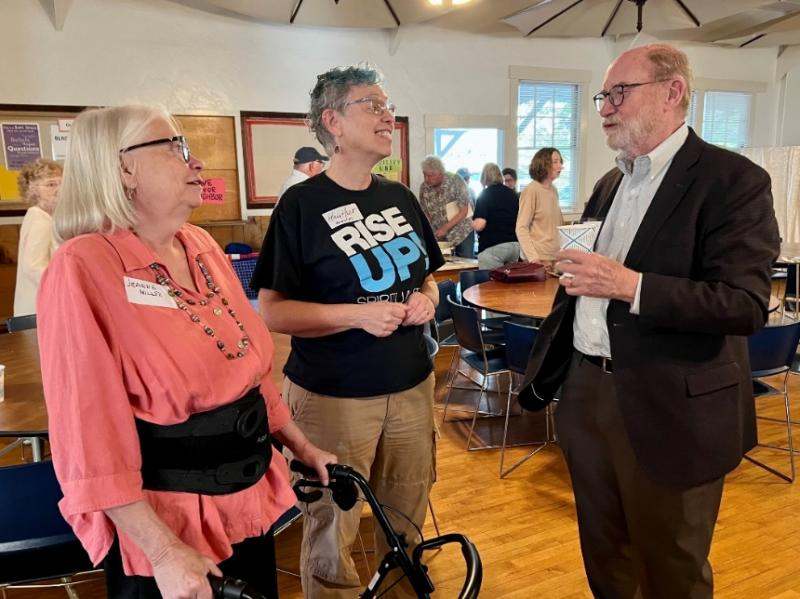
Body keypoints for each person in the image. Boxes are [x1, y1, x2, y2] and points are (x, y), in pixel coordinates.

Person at [36, 105, 335, 599]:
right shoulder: (82, 266)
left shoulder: (197, 243)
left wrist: (300, 446)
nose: (195, 163)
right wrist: (162, 552)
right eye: (175, 148)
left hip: (245, 501)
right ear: (123, 167)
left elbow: (250, 374)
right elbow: (88, 434)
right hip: (168, 530)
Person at [518, 44, 780, 598]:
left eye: (619, 93)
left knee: (671, 568)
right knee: (604, 554)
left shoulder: (732, 180)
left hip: (672, 403)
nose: (605, 108)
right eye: (602, 96)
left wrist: (629, 285)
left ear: (673, 92)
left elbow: (744, 304)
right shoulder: (610, 184)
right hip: (588, 390)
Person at [251, 64, 444, 599]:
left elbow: (426, 275)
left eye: (388, 105)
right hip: (333, 394)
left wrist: (426, 300)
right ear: (332, 121)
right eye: (373, 105)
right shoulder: (301, 205)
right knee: (333, 529)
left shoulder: (400, 196)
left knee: (405, 515)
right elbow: (273, 310)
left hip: (411, 384)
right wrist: (355, 315)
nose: (388, 116)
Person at [13, 158, 62, 316]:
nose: (58, 189)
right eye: (50, 184)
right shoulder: (38, 217)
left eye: (61, 183)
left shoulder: (49, 217)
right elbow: (34, 267)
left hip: (43, 305)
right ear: (33, 190)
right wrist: (65, 289)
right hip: (37, 309)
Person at [515, 148, 564, 269]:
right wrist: (534, 259)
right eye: (555, 162)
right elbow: (521, 228)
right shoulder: (531, 190)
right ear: (543, 164)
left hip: (555, 258)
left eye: (560, 162)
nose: (560, 166)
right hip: (538, 260)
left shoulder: (553, 190)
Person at [418, 155, 474, 258]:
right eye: (424, 175)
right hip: (440, 236)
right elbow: (426, 215)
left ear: (440, 173)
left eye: (430, 176)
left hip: (462, 232)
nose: (426, 179)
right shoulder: (424, 188)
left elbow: (464, 211)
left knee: (466, 263)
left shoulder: (456, 180)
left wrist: (445, 228)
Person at [472, 162, 520, 269]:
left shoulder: (484, 195)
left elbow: (480, 225)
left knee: (491, 284)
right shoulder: (513, 194)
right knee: (509, 283)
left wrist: (471, 222)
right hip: (514, 245)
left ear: (484, 178)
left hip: (493, 245)